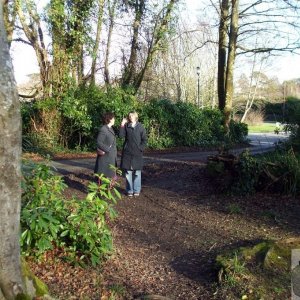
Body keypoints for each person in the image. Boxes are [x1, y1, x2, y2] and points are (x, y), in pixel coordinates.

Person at [120, 111, 147, 197]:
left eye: (132, 116)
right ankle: (129, 190)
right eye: (129, 116)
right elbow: (121, 136)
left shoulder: (140, 127)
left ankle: (136, 190)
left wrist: (140, 148)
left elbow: (144, 140)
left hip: (137, 153)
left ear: (136, 116)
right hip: (127, 153)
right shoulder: (126, 126)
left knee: (137, 173)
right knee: (128, 173)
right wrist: (122, 124)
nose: (130, 117)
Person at [94, 112, 117, 181]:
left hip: (110, 156)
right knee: (103, 177)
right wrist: (108, 149)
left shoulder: (110, 128)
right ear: (109, 119)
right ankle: (102, 191)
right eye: (113, 118)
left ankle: (107, 190)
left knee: (109, 177)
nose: (114, 120)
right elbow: (99, 142)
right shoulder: (103, 129)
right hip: (105, 158)